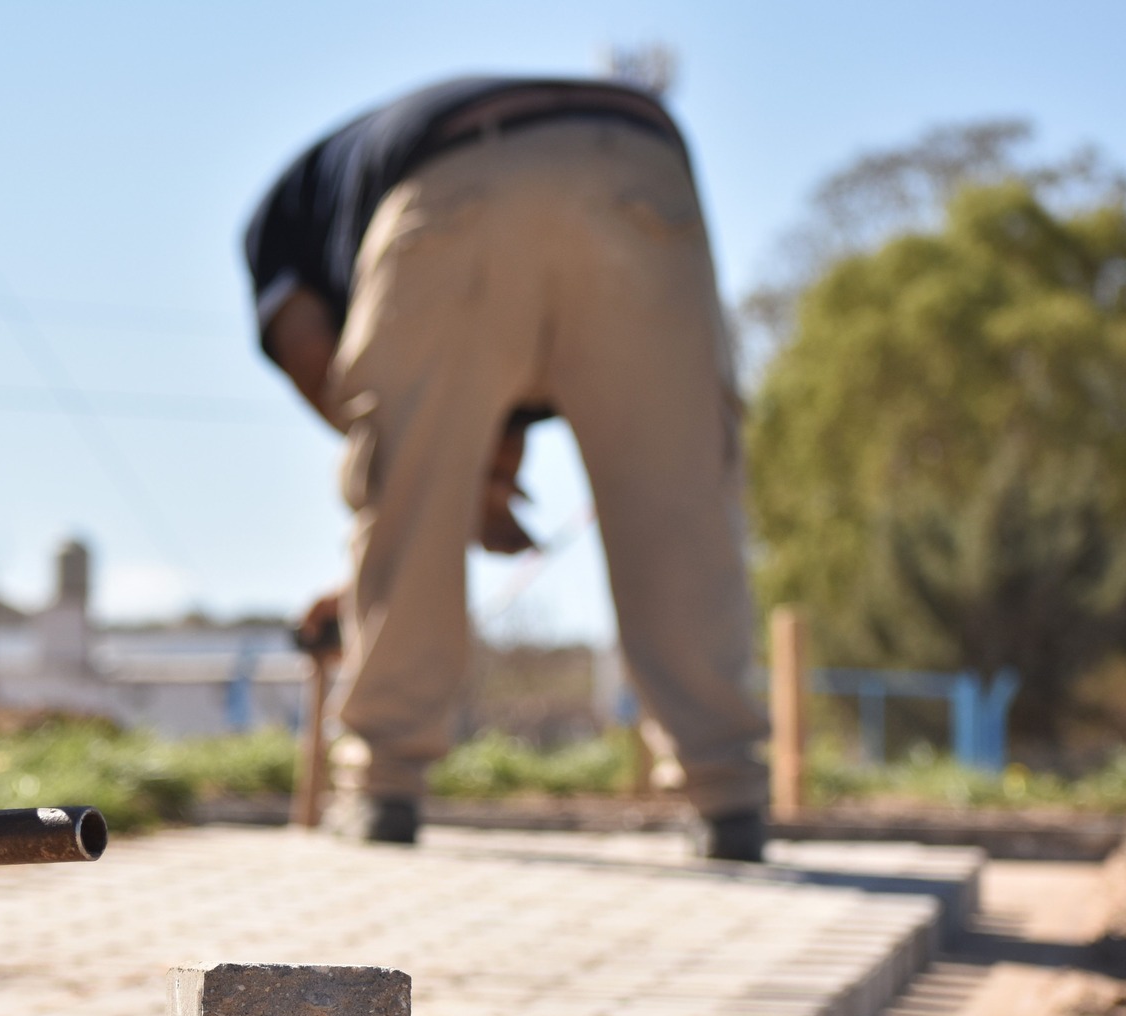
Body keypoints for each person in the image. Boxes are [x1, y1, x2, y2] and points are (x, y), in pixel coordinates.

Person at [246, 76, 769, 859]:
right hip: (641, 167)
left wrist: (414, 498)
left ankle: (384, 784)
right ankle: (727, 797)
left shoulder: (277, 227)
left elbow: (315, 358)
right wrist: (472, 486)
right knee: (678, 499)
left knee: (407, 486)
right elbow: (491, 411)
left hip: (455, 182)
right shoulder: (336, 181)